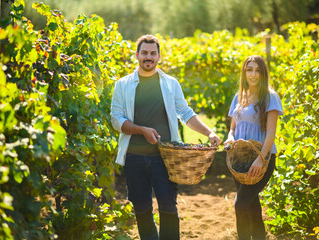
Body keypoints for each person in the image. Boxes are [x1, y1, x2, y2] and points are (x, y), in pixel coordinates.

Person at [111, 34, 221, 240]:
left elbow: (186, 113)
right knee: (142, 209)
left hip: (166, 157)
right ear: (137, 55)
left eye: (153, 53)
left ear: (159, 57)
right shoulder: (123, 85)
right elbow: (116, 120)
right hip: (134, 157)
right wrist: (141, 130)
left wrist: (209, 132)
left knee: (169, 207)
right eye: (144, 52)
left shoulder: (170, 83)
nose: (148, 57)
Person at [223, 55, 283, 240]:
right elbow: (232, 128)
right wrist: (230, 138)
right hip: (240, 161)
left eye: (257, 70)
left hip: (262, 160)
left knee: (240, 203)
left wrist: (260, 158)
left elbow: (271, 132)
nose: (253, 74)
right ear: (244, 72)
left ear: (263, 73)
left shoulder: (270, 97)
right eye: (249, 69)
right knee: (252, 206)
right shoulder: (238, 96)